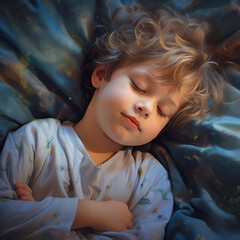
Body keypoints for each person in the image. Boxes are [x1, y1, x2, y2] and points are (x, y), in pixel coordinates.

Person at [0, 5, 227, 240]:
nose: (146, 108)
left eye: (162, 110)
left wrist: (35, 215)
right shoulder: (36, 140)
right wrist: (85, 213)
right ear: (101, 75)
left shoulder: (150, 180)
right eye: (139, 87)